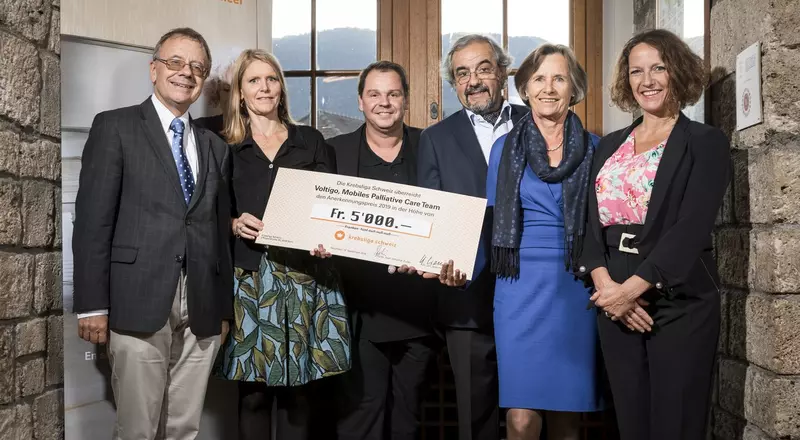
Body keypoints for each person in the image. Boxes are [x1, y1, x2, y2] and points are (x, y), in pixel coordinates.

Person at [72, 27, 233, 440]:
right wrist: (91, 304)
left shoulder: (214, 147)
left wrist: (223, 309)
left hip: (200, 306)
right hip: (136, 299)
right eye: (175, 62)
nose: (186, 73)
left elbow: (218, 232)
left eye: (198, 67)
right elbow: (93, 222)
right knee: (138, 429)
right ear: (154, 69)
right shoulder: (116, 127)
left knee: (185, 428)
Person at [580, 29, 731, 440]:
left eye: (658, 68)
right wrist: (608, 287)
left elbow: (692, 226)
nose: (647, 80)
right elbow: (587, 225)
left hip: (677, 299)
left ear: (677, 71)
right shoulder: (608, 146)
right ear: (626, 81)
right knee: (631, 422)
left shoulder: (704, 141)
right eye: (636, 71)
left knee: (674, 424)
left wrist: (634, 288)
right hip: (613, 298)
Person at [216, 49, 350, 440]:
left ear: (281, 88)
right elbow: (208, 211)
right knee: (253, 393)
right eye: (254, 80)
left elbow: (331, 207)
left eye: (271, 79)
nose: (264, 87)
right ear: (240, 92)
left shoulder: (310, 140)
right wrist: (233, 223)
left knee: (299, 392)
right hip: (251, 279)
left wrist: (328, 238)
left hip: (306, 278)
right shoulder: (223, 145)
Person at [414, 34, 528, 440]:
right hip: (463, 296)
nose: (474, 80)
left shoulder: (537, 123)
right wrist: (437, 259)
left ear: (502, 72)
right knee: (474, 418)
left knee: (532, 411)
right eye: (462, 73)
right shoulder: (435, 139)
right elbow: (431, 214)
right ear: (454, 83)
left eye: (483, 68)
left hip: (532, 293)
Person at [486, 44, 602, 440]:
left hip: (577, 285)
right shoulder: (504, 149)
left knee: (567, 417)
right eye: (538, 79)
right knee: (520, 417)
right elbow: (490, 224)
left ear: (574, 89)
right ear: (524, 89)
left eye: (559, 78)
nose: (548, 88)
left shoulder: (599, 149)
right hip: (517, 286)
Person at [327, 61, 437, 440]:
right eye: (374, 94)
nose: (384, 103)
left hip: (420, 313)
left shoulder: (430, 147)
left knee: (409, 419)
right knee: (361, 418)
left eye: (393, 94)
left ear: (405, 99)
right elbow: (320, 218)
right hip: (357, 313)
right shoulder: (334, 153)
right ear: (360, 101)